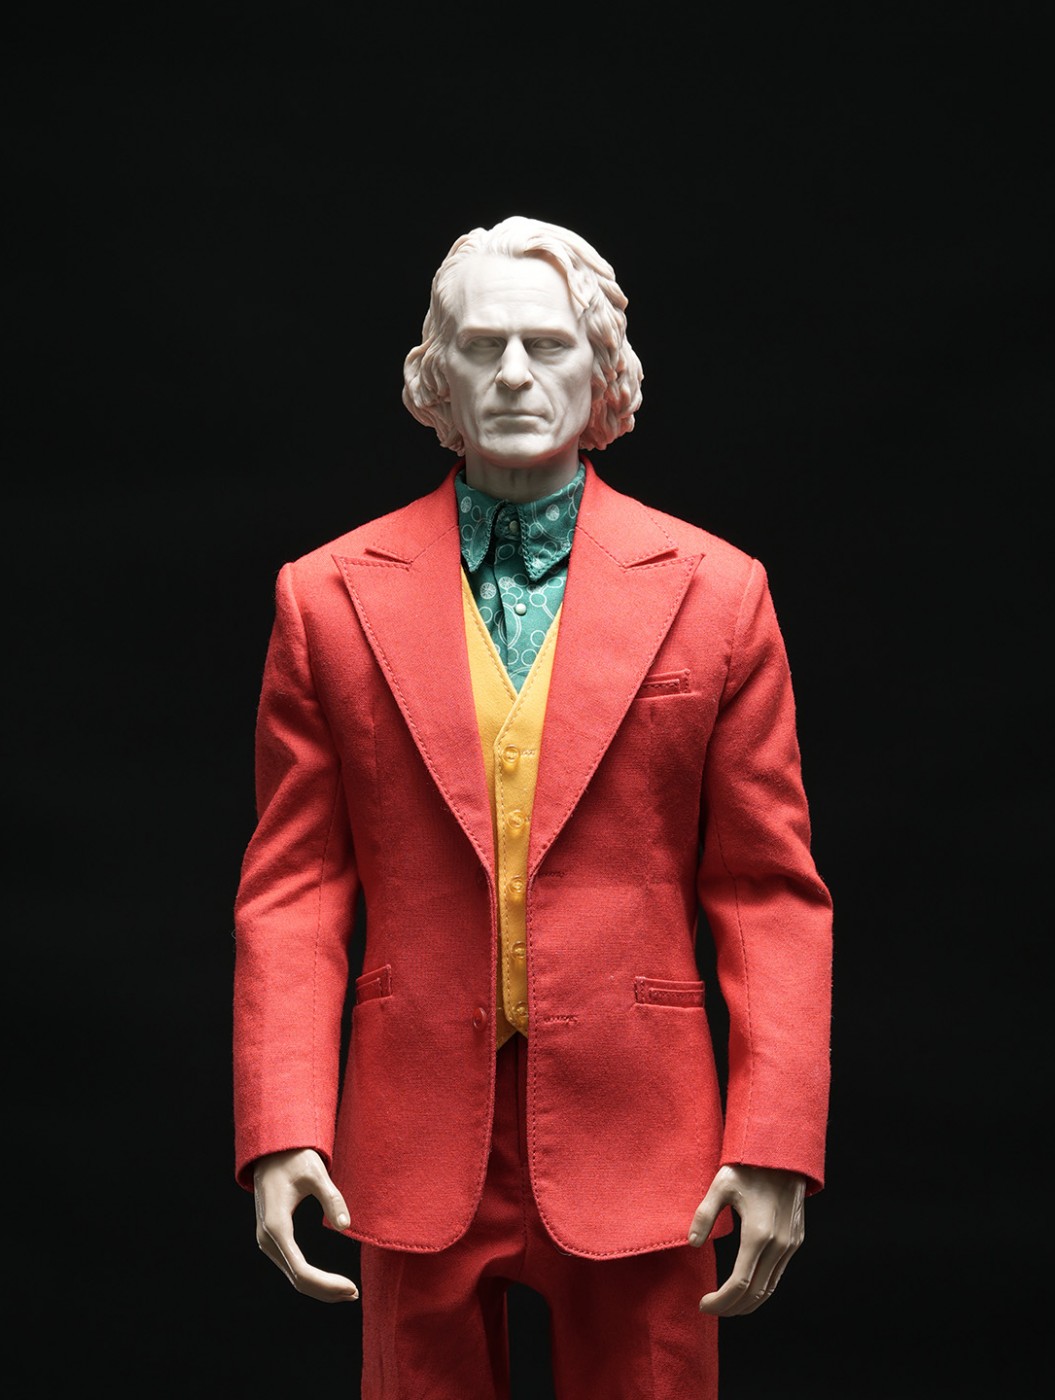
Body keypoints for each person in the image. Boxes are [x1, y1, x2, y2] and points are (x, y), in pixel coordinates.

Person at [233, 215, 833, 1399]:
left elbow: (765, 889)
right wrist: (282, 1120)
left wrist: (773, 1139)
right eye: (482, 344)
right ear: (436, 375)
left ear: (600, 368)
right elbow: (295, 885)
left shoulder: (716, 592)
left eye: (548, 344)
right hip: (410, 1121)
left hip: (645, 1125)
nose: (513, 373)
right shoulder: (327, 596)